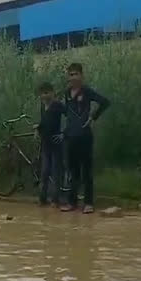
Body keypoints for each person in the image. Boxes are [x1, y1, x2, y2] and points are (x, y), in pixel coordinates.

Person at [61, 63, 110, 214]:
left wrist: (93, 117)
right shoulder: (67, 93)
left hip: (85, 137)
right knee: (72, 171)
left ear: (82, 76)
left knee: (86, 171)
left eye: (76, 74)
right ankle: (72, 202)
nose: (73, 77)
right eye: (70, 75)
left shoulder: (87, 91)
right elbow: (68, 113)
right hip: (71, 137)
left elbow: (105, 102)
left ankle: (88, 203)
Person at [36, 82, 65, 207]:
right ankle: (42, 199)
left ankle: (55, 200)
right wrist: (38, 129)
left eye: (47, 93)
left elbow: (71, 116)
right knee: (44, 172)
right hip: (45, 144)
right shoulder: (43, 106)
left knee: (55, 172)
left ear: (53, 93)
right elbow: (44, 122)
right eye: (42, 94)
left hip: (56, 144)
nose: (45, 96)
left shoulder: (58, 105)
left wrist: (64, 133)